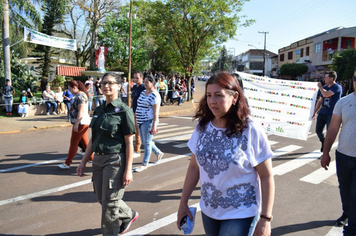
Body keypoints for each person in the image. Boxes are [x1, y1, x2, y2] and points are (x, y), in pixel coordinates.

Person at [177, 72, 274, 236]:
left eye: (218, 95)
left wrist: (265, 218)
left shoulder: (250, 129)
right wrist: (183, 203)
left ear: (234, 97)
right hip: (209, 211)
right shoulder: (203, 127)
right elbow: (194, 167)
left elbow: (266, 176)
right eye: (208, 95)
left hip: (241, 212)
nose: (212, 101)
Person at [76, 72, 139, 235]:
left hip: (115, 160)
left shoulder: (124, 111)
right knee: (101, 198)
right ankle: (129, 214)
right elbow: (93, 139)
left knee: (109, 206)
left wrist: (128, 170)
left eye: (110, 83)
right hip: (97, 159)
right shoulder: (99, 109)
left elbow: (128, 142)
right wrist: (83, 161)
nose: (106, 86)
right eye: (103, 83)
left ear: (119, 86)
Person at [320, 75, 356, 235]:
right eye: (355, 78)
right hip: (343, 156)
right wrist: (325, 153)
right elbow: (333, 129)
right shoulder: (344, 102)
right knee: (345, 189)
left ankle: (351, 228)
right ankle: (347, 213)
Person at [59, 80, 93, 169]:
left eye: (70, 89)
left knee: (74, 143)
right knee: (85, 142)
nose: (69, 91)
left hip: (81, 122)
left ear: (74, 87)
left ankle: (67, 163)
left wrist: (77, 123)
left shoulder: (80, 96)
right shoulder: (79, 95)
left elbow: (81, 110)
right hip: (81, 122)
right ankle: (92, 157)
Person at [133, 75, 164, 172]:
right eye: (145, 82)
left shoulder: (155, 95)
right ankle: (158, 153)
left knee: (146, 143)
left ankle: (144, 163)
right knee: (146, 142)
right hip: (140, 120)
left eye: (147, 82)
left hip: (149, 121)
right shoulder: (143, 92)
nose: (145, 84)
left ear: (152, 83)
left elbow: (156, 112)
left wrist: (154, 125)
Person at [312, 71, 342, 152]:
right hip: (322, 113)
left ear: (331, 78)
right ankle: (324, 142)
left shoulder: (337, 87)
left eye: (326, 77)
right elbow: (320, 100)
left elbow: (326, 94)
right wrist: (314, 112)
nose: (324, 78)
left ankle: (326, 150)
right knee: (318, 131)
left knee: (329, 133)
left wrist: (321, 87)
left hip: (331, 114)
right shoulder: (325, 86)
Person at [131, 71, 146, 158]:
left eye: (137, 78)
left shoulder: (143, 87)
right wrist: (131, 107)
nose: (135, 79)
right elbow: (133, 98)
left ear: (141, 78)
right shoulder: (134, 87)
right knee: (135, 131)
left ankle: (137, 150)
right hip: (134, 111)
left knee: (138, 132)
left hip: (141, 112)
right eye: (134, 78)